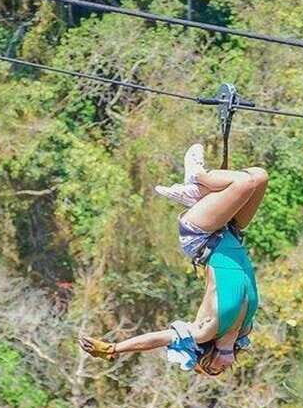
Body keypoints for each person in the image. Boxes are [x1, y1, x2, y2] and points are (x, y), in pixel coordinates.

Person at [79, 143, 268, 375]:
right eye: (218, 372)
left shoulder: (204, 331)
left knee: (243, 183)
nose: (221, 369)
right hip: (231, 231)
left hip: (202, 236)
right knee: (259, 177)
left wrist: (114, 349)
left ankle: (198, 178)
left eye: (212, 370)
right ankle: (203, 194)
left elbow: (158, 339)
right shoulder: (243, 329)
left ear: (202, 356)